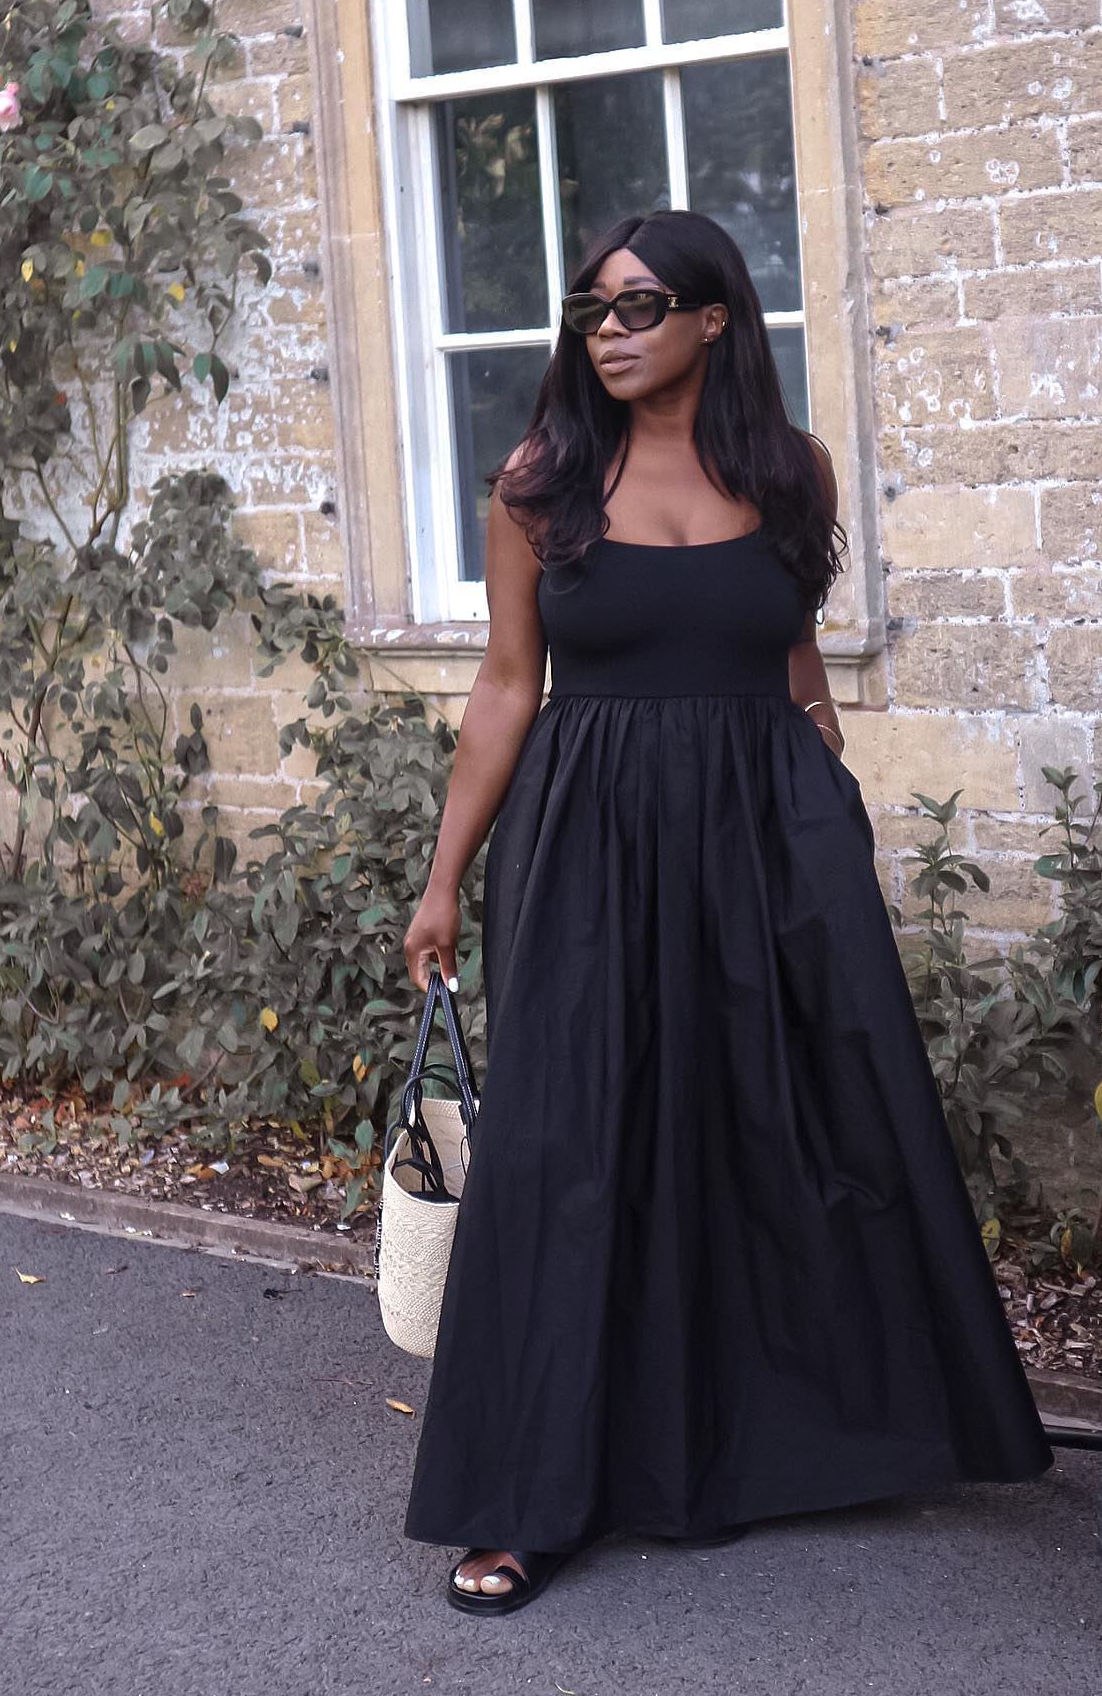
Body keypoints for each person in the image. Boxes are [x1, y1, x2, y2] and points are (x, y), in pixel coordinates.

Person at [399, 208, 1053, 1616]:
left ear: (714, 320)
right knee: (570, 1142)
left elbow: (793, 648)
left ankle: (808, 1437)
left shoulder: (789, 471)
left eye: (642, 307)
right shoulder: (540, 486)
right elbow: (509, 689)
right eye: (595, 311)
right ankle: (530, 1493)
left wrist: (831, 784)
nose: (613, 331)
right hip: (592, 843)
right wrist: (446, 876)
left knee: (795, 1115)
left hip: (770, 834)